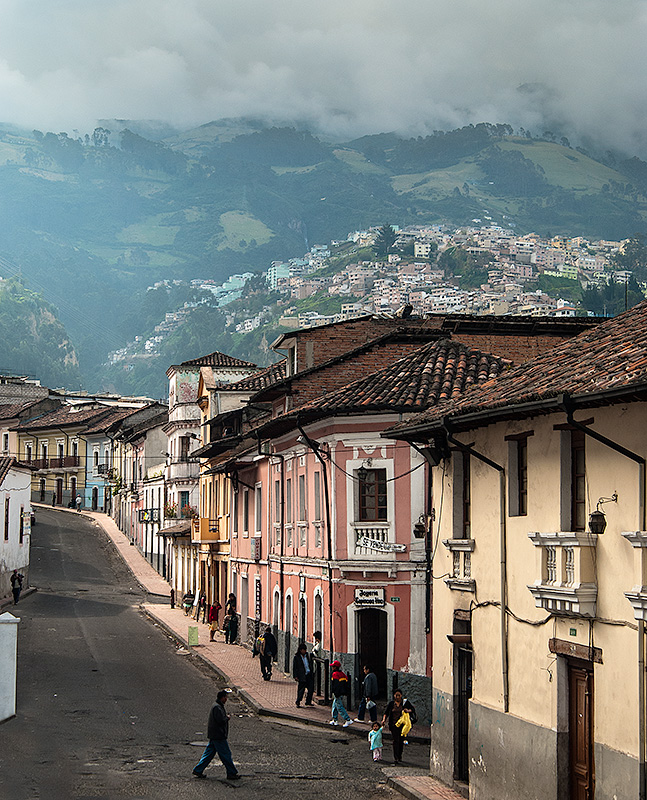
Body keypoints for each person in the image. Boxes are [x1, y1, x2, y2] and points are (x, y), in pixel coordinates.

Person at [192, 689, 240, 781]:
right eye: (225, 697)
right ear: (222, 698)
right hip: (219, 736)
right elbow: (221, 720)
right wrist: (227, 718)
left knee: (208, 754)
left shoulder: (217, 706)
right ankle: (231, 772)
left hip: (214, 735)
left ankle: (198, 770)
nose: (226, 699)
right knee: (226, 754)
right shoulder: (217, 708)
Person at [382, 689, 416, 763]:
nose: (397, 697)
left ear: (401, 695)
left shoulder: (405, 703)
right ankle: (396, 757)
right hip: (394, 725)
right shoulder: (391, 704)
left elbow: (413, 709)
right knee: (395, 740)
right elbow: (386, 713)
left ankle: (400, 755)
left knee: (401, 740)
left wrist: (408, 711)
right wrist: (384, 720)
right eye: (396, 695)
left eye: (399, 695)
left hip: (403, 725)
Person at [329, 660, 352, 727]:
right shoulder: (342, 674)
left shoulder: (335, 674)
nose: (332, 668)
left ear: (335, 667)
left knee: (339, 707)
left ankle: (348, 719)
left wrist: (335, 692)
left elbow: (335, 685)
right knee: (335, 706)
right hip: (341, 693)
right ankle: (335, 719)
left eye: (333, 666)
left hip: (337, 693)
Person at [292, 642, 314, 707]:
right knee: (301, 690)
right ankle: (298, 701)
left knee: (311, 689)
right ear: (300, 650)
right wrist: (295, 676)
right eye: (303, 650)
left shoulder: (307, 656)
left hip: (308, 674)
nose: (305, 651)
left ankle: (308, 701)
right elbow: (295, 667)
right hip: (301, 675)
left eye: (305, 650)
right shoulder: (297, 657)